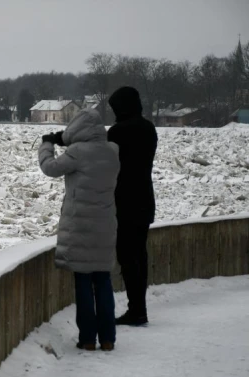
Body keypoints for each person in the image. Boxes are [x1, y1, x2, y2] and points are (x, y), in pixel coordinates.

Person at [38, 108, 120, 351]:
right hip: (105, 226)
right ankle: (107, 338)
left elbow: (50, 168)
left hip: (81, 227)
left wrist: (47, 144)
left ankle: (87, 339)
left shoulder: (77, 153)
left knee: (83, 283)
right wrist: (66, 138)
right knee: (103, 282)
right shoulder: (113, 151)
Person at [107, 86, 158, 326]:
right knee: (140, 254)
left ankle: (136, 310)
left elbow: (107, 163)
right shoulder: (149, 128)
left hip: (123, 202)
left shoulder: (118, 132)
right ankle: (140, 308)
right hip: (144, 199)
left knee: (127, 257)